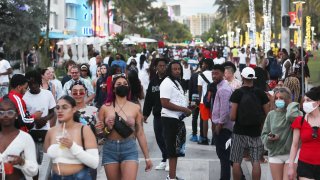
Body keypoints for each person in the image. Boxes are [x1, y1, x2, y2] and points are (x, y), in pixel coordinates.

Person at [97, 74, 152, 179]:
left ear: (129, 88)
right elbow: (100, 135)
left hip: (129, 148)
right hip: (110, 149)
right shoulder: (105, 108)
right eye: (119, 84)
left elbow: (140, 133)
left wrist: (147, 158)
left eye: (125, 84)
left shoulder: (135, 107)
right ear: (113, 89)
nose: (122, 85)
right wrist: (108, 128)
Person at [44, 95, 99, 179]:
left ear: (74, 109)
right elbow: (46, 161)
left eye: (65, 107)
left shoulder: (84, 129)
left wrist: (72, 146)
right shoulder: (51, 131)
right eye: (57, 108)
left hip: (78, 177)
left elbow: (94, 163)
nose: (60, 111)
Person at [230, 67, 269, 180]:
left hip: (239, 132)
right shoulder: (260, 93)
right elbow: (267, 114)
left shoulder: (237, 93)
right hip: (256, 132)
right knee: (256, 161)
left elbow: (232, 117)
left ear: (242, 77)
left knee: (236, 161)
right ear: (253, 78)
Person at [160, 61, 192, 180]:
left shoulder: (177, 82)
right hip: (169, 119)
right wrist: (183, 109)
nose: (177, 71)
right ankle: (171, 178)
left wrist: (186, 110)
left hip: (177, 119)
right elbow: (164, 103)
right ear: (170, 70)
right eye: (174, 69)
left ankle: (172, 176)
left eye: (179, 69)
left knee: (176, 150)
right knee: (172, 150)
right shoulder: (167, 83)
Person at [261, 88, 301, 180]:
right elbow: (264, 134)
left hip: (291, 153)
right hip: (275, 153)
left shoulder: (294, 113)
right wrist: (270, 138)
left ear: (287, 99)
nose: (278, 100)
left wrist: (290, 106)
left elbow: (293, 117)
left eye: (281, 98)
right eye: (276, 98)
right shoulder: (271, 114)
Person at [0, 96, 38, 179]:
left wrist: (22, 162)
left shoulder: (25, 138)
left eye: (10, 112)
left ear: (16, 114)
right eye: (1, 112)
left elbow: (34, 170)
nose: (5, 115)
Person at [24, 70, 56, 164]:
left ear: (40, 82)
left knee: (46, 164)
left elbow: (52, 112)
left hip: (45, 132)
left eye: (35, 83)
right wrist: (34, 121)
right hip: (30, 133)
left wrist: (44, 120)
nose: (33, 86)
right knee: (33, 164)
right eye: (30, 84)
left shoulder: (47, 94)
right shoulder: (24, 97)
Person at [288, 86, 320, 180]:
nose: (305, 103)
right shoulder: (300, 120)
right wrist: (291, 166)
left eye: (308, 100)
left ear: (318, 102)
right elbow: (294, 145)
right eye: (304, 100)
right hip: (305, 164)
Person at [143, 58, 168, 170]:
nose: (162, 67)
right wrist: (145, 114)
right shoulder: (153, 81)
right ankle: (164, 158)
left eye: (164, 65)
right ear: (156, 67)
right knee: (159, 138)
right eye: (160, 66)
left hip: (169, 114)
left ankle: (169, 160)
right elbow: (148, 98)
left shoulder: (170, 80)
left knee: (167, 137)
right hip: (157, 115)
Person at [211, 64, 234, 180]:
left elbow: (225, 110)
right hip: (223, 126)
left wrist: (219, 125)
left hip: (223, 128)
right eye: (213, 73)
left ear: (223, 73)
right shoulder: (221, 87)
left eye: (216, 73)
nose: (214, 76)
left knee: (224, 157)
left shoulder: (224, 89)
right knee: (227, 157)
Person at [198, 58, 214, 145]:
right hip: (214, 100)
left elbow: (199, 90)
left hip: (203, 101)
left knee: (204, 119)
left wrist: (200, 99)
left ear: (206, 65)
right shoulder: (214, 74)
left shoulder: (201, 75)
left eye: (203, 64)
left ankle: (204, 138)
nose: (202, 65)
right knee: (213, 120)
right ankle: (215, 139)